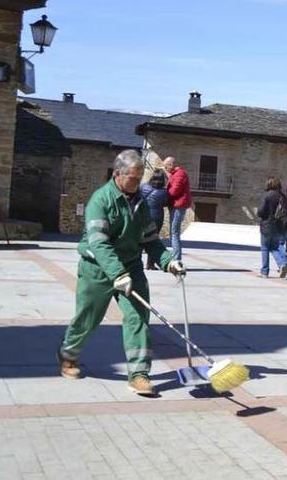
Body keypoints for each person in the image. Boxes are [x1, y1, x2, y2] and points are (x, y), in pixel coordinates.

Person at [58, 149, 186, 396]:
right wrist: (117, 274)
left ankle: (139, 374)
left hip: (131, 266)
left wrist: (170, 262)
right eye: (134, 179)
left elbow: (151, 240)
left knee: (138, 317)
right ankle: (68, 355)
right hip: (97, 267)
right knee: (88, 318)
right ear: (118, 174)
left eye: (140, 179)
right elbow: (99, 243)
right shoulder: (100, 200)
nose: (138, 184)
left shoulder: (141, 202)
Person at [256, 177, 287, 278]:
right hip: (279, 226)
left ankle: (265, 271)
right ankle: (282, 264)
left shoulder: (266, 196)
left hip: (267, 225)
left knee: (265, 248)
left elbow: (261, 211)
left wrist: (261, 215)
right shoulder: (282, 197)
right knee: (274, 247)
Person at [139, 169, 169, 270]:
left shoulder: (143, 186)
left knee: (139, 238)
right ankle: (150, 264)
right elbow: (166, 203)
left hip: (142, 215)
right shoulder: (164, 192)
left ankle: (137, 261)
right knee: (153, 239)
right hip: (156, 216)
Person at [164, 156, 192, 261]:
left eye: (166, 166)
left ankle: (176, 258)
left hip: (178, 206)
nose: (165, 168)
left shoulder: (180, 174)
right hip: (176, 205)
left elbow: (174, 191)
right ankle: (176, 256)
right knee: (173, 232)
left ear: (171, 165)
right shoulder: (175, 174)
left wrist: (163, 193)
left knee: (174, 232)